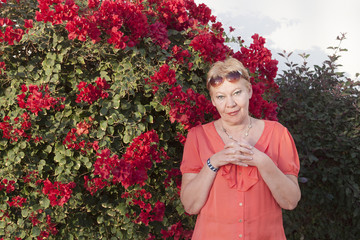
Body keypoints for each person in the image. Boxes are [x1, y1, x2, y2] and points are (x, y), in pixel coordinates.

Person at [180, 57, 301, 240]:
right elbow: (190, 206)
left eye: (237, 93)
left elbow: (290, 202)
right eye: (221, 96)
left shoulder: (278, 134)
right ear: (213, 101)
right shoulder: (197, 137)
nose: (230, 104)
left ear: (250, 91)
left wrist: (262, 161)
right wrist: (213, 162)